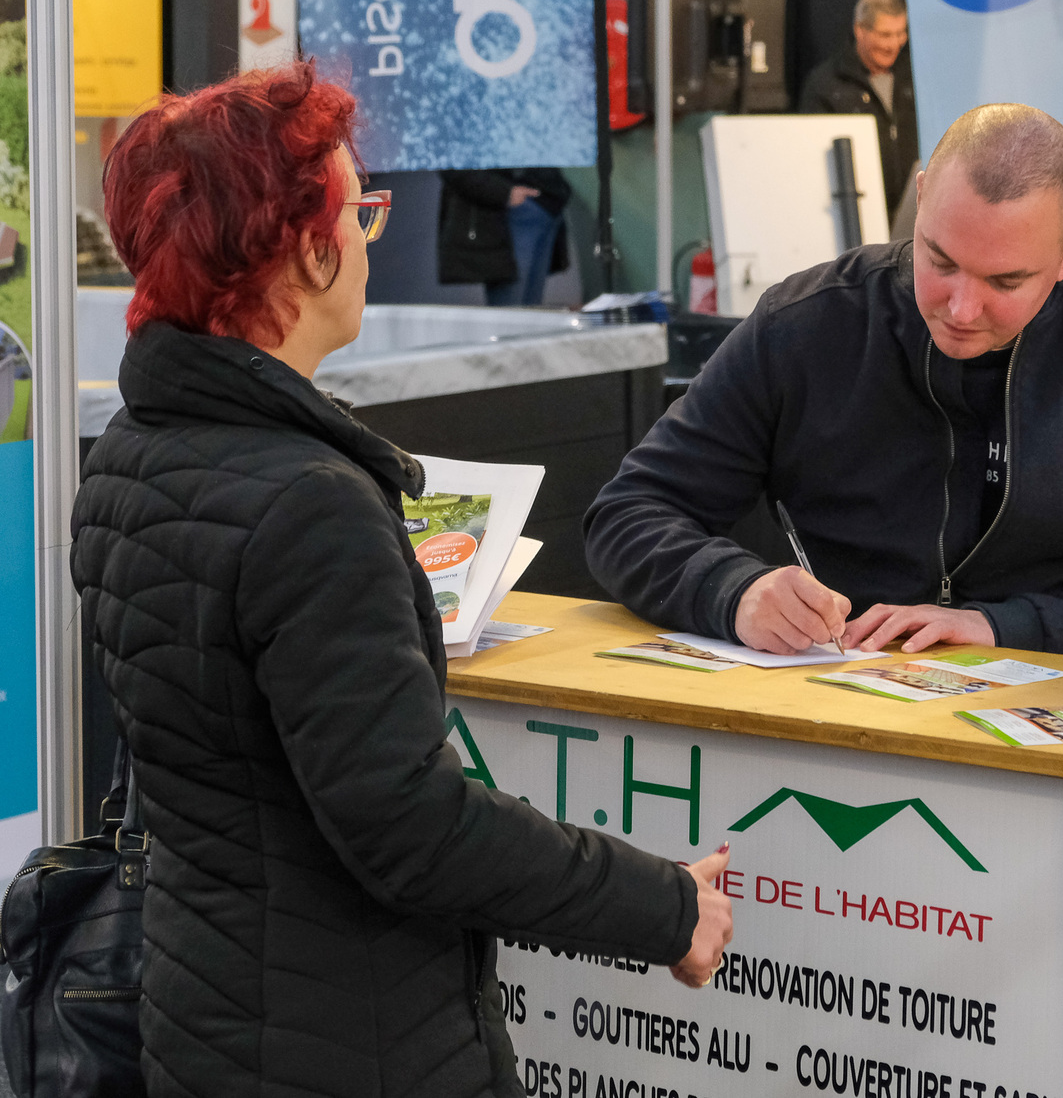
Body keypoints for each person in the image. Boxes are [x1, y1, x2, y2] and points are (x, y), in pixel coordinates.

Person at [70, 62, 732, 1098]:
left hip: (202, 1013)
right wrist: (664, 907)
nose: (368, 243)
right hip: (357, 1041)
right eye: (358, 209)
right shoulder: (309, 504)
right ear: (303, 246)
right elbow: (411, 831)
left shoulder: (128, 455)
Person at [585, 104, 1063, 673]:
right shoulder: (810, 322)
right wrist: (735, 591)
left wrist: (1003, 628)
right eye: (941, 260)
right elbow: (627, 513)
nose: (962, 308)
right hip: (837, 708)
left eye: (1005, 282)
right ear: (923, 194)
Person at [798, 0, 919, 226]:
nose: (893, 45)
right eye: (885, 34)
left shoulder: (916, 75)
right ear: (859, 30)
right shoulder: (826, 84)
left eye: (900, 34)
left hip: (914, 217)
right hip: (854, 219)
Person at [439, 166, 571, 305]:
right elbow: (450, 164)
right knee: (511, 312)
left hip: (545, 208)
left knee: (530, 313)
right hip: (508, 214)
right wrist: (505, 193)